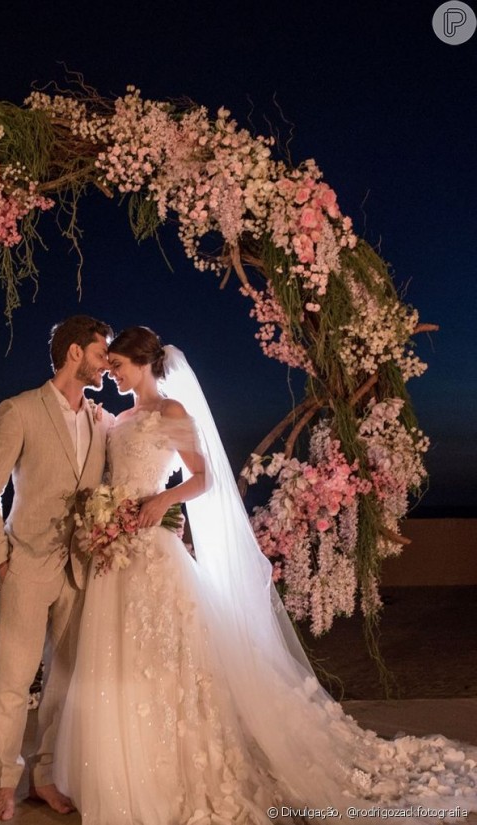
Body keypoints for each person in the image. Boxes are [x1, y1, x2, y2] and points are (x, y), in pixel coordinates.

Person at [55, 326, 477, 825]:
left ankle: (171, 769)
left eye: (119, 365)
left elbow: (204, 476)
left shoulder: (172, 413)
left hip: (153, 544)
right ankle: (118, 772)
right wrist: (108, 517)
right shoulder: (118, 417)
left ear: (141, 362)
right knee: (118, 659)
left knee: (165, 658)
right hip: (119, 549)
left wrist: (163, 500)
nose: (114, 373)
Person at [0, 314, 114, 821]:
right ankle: (5, 783)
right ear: (75, 353)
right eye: (101, 352)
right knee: (14, 683)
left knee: (62, 683)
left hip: (80, 571)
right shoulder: (19, 410)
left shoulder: (100, 420)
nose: (106, 363)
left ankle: (44, 777)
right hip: (26, 567)